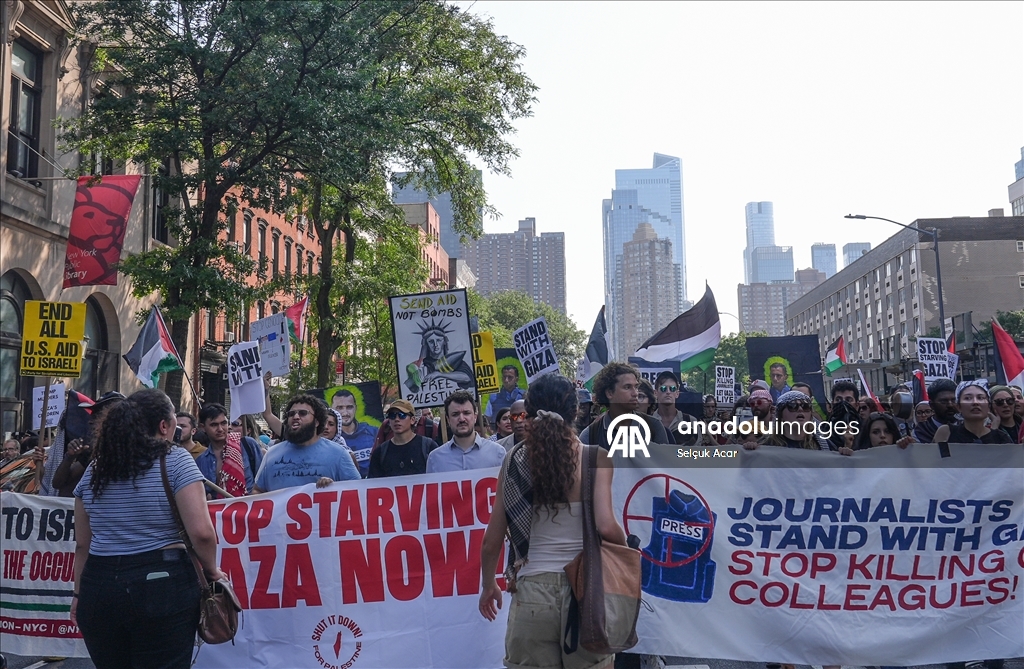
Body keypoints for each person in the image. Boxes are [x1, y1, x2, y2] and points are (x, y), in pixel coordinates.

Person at [479, 373, 626, 669]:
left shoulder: (514, 460)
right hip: (585, 591)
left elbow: (491, 541)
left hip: (532, 592)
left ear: (529, 413)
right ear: (575, 411)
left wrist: (488, 585)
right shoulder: (595, 458)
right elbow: (606, 526)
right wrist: (627, 551)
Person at [71, 388, 225, 669]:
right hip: (162, 583)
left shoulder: (96, 469)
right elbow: (201, 533)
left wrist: (78, 595)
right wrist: (212, 570)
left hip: (99, 585)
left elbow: (83, 543)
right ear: (164, 426)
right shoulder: (176, 460)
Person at [254, 394, 360, 493]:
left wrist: (334, 488)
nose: (296, 417)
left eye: (303, 413)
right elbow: (257, 491)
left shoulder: (339, 454)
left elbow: (358, 492)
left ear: (317, 422)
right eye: (291, 414)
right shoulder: (271, 454)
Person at [579, 362, 669, 447]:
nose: (635, 393)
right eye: (627, 387)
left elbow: (665, 458)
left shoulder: (654, 427)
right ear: (609, 393)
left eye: (636, 387)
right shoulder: (590, 435)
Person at [427, 391, 506, 473]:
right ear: (448, 420)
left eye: (466, 413)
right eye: (455, 414)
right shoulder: (435, 458)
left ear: (475, 417)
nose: (461, 419)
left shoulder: (498, 452)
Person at [195, 403, 264, 496]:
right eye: (214, 425)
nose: (220, 429)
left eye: (223, 423)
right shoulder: (201, 461)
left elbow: (264, 480)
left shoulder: (247, 445)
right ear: (203, 427)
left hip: (251, 504)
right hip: (220, 505)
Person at [368, 399, 438, 478]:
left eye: (402, 415)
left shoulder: (428, 446)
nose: (397, 419)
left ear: (412, 420)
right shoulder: (380, 452)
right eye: (392, 416)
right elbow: (374, 483)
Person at [405, 318, 475, 392]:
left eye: (439, 340)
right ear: (426, 344)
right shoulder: (419, 365)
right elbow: (409, 388)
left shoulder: (456, 362)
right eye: (431, 341)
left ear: (444, 341)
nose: (436, 345)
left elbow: (467, 378)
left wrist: (439, 374)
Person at [933, 380, 1012, 445]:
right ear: (958, 407)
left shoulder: (1001, 438)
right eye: (968, 398)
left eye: (980, 398)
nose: (975, 402)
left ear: (988, 406)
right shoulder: (947, 433)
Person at [332, 388, 377, 476]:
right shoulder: (330, 439)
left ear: (355, 408)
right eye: (340, 408)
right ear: (332, 409)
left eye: (349, 407)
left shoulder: (374, 432)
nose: (345, 413)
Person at [914, 379, 959, 443]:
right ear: (932, 405)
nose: (950, 405)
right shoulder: (921, 431)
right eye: (944, 401)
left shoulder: (968, 426)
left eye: (954, 400)